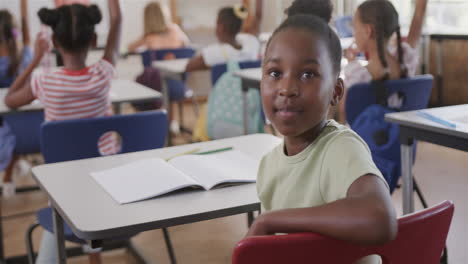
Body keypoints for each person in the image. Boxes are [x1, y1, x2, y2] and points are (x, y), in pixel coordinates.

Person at [245, 14, 397, 264]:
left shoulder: (340, 147)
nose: (286, 88)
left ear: (336, 92)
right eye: (274, 72)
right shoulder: (268, 165)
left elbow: (380, 219)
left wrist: (270, 220)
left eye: (307, 74)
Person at [4, 0, 122, 263]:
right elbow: (117, 20)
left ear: (54, 42)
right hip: (105, 180)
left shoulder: (44, 81)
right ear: (93, 40)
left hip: (63, 182)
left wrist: (35, 57)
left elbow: (10, 100)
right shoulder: (104, 74)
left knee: (64, 202)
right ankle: (95, 257)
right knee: (89, 204)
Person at [340, 0, 428, 122]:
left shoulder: (356, 74)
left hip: (363, 139)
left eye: (355, 27)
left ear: (368, 30)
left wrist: (351, 63)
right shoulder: (406, 60)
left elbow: (345, 115)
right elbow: (418, 21)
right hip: (401, 138)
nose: (354, 34)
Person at [0, 0, 34, 197]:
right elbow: (25, 24)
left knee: (8, 125)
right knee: (16, 123)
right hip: (29, 124)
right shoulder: (24, 53)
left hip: (5, 124)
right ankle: (16, 163)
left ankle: (10, 171)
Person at [185, 0, 262, 71]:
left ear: (221, 27)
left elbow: (189, 66)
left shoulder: (215, 52)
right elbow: (258, 17)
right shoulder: (252, 44)